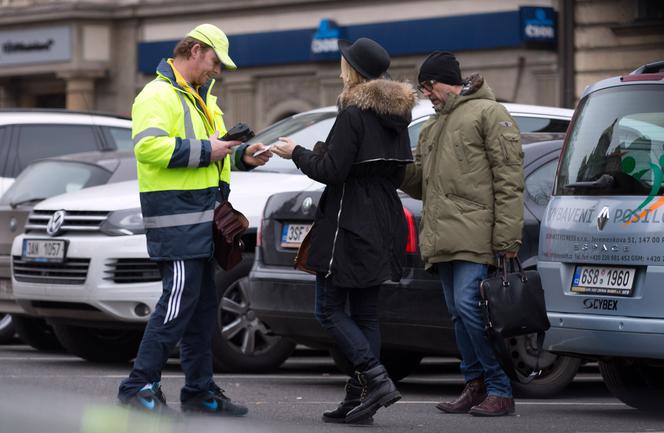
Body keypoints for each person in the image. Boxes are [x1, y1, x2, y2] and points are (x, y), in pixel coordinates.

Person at [117, 23, 271, 415]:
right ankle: (138, 386)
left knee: (201, 311)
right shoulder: (157, 94)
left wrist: (243, 156)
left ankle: (200, 392)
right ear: (196, 50)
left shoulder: (201, 99)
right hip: (178, 221)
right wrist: (211, 149)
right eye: (216, 61)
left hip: (200, 222)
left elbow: (215, 153)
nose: (217, 70)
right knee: (177, 304)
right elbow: (148, 148)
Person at [272, 37, 415, 424]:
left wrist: (296, 153)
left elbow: (332, 172)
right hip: (385, 214)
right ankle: (359, 398)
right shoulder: (399, 117)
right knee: (366, 313)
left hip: (349, 218)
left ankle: (376, 379)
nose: (340, 68)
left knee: (329, 309)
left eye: (344, 63)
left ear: (354, 71)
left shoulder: (353, 113)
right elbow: (399, 171)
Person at [400, 51, 524, 417]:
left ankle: (500, 388)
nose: (428, 95)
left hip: (475, 233)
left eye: (429, 87)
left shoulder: (489, 113)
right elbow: (422, 184)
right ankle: (475, 385)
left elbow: (509, 179)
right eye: (423, 90)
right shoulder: (432, 126)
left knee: (470, 309)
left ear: (446, 81)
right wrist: (395, 167)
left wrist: (507, 238)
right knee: (457, 312)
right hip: (442, 235)